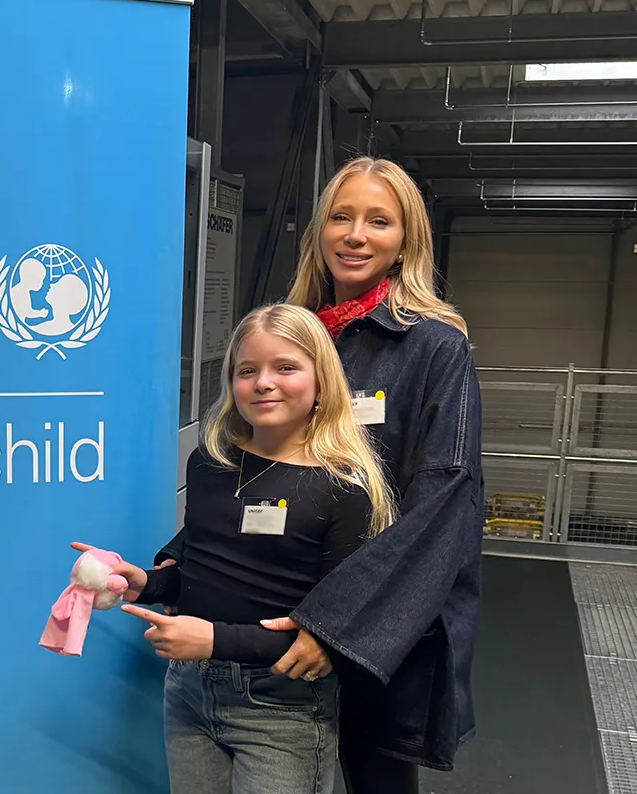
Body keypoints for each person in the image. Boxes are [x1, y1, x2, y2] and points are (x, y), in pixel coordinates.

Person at [157, 157, 485, 793]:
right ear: (319, 231)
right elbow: (239, 476)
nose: (356, 235)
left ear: (407, 241)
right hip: (266, 627)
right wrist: (172, 569)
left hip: (374, 623)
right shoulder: (297, 331)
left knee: (374, 775)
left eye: (379, 221)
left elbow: (444, 503)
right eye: (341, 216)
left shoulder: (434, 347)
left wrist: (335, 626)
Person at [72, 302, 396, 794]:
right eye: (248, 371)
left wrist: (214, 641)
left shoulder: (344, 488)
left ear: (322, 379)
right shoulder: (211, 463)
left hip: (282, 709)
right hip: (189, 691)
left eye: (285, 367)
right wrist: (146, 583)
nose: (264, 382)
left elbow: (333, 637)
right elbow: (205, 569)